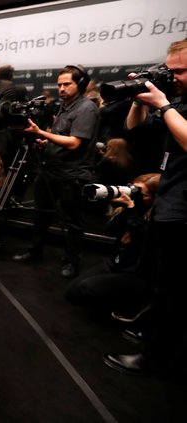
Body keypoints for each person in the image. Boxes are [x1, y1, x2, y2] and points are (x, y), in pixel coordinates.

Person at [103, 39, 187, 376]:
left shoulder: (173, 105)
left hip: (183, 212)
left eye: (179, 70)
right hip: (170, 204)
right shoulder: (179, 101)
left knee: (177, 292)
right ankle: (156, 337)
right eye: (170, 69)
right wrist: (138, 99)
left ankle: (158, 359)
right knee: (162, 284)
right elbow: (134, 129)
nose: (173, 76)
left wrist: (164, 105)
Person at [12, 64, 100, 279]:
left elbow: (73, 143)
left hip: (73, 174)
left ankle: (71, 261)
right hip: (50, 170)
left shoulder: (86, 108)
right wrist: (45, 141)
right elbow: (60, 136)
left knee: (71, 221)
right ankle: (35, 250)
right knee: (42, 214)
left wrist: (41, 132)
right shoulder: (65, 106)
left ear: (79, 84)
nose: (61, 88)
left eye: (66, 84)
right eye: (59, 84)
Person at [65, 173, 159, 315]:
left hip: (135, 273)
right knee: (72, 292)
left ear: (154, 198)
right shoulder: (132, 210)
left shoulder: (158, 219)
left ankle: (131, 307)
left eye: (142, 194)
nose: (136, 196)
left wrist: (131, 209)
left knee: (88, 289)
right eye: (135, 190)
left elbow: (144, 240)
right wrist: (126, 209)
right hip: (115, 264)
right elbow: (110, 231)